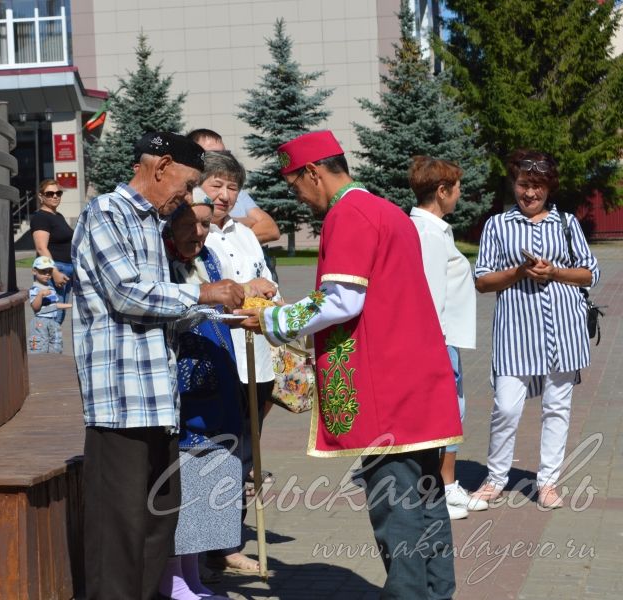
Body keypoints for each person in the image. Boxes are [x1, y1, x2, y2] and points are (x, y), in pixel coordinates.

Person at [238, 130, 462, 599]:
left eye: (295, 184)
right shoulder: (385, 210)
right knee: (426, 499)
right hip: (417, 379)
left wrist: (272, 318)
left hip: (385, 386)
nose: (297, 195)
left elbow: (342, 300)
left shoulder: (349, 214)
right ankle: (437, 594)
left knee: (396, 507)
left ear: (313, 173)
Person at [71, 131, 245, 600]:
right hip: (120, 404)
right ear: (161, 166)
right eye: (187, 186)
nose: (186, 198)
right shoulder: (106, 212)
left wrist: (226, 312)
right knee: (118, 536)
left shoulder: (150, 222)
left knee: (157, 526)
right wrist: (206, 292)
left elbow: (163, 310)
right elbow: (127, 293)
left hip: (157, 403)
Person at [470, 150, 600, 510]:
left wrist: (555, 272)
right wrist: (519, 273)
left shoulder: (566, 224)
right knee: (506, 407)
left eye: (537, 186)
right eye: (524, 185)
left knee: (557, 407)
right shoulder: (497, 225)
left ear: (548, 188)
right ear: (513, 183)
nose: (530, 193)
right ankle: (496, 478)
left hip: (564, 329)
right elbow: (481, 280)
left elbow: (591, 273)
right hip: (516, 332)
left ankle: (548, 482)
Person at [159, 190, 243, 600]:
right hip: (185, 390)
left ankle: (192, 574)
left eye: (206, 223)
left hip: (217, 383)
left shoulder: (206, 258)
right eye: (190, 222)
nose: (199, 232)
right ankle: (172, 576)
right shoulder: (161, 260)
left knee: (211, 476)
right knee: (184, 483)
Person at [200, 151, 278, 576]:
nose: (225, 195)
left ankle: (231, 540)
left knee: (247, 456)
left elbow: (267, 283)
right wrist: (246, 288)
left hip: (257, 361)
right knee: (218, 453)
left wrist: (268, 296)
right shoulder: (195, 234)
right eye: (217, 185)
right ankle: (211, 545)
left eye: (232, 187)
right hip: (220, 358)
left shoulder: (244, 235)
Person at [408, 156, 490, 520]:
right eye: (456, 188)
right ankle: (436, 491)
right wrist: (437, 349)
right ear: (441, 191)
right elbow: (428, 295)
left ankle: (448, 485)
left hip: (447, 338)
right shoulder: (426, 234)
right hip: (437, 340)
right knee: (441, 413)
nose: (460, 194)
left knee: (453, 410)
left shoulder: (437, 229)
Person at [186, 129, 280, 245]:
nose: (225, 196)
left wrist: (231, 233)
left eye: (225, 154)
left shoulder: (236, 192)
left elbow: (271, 229)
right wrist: (244, 222)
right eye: (211, 155)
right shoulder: (183, 195)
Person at [30, 178, 74, 324]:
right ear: (41, 196)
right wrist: (54, 272)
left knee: (58, 317)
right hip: (54, 270)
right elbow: (41, 248)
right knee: (50, 316)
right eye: (50, 193)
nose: (55, 196)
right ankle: (44, 346)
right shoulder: (41, 217)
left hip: (66, 270)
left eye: (58, 193)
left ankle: (52, 345)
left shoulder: (57, 216)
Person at [27, 256, 71, 354]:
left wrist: (70, 305)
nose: (47, 274)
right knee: (40, 346)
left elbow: (54, 305)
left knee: (56, 345)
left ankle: (54, 362)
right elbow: (35, 307)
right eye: (43, 271)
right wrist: (40, 295)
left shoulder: (50, 288)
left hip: (53, 321)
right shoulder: (35, 289)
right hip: (41, 322)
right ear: (34, 271)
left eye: (50, 271)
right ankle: (39, 364)